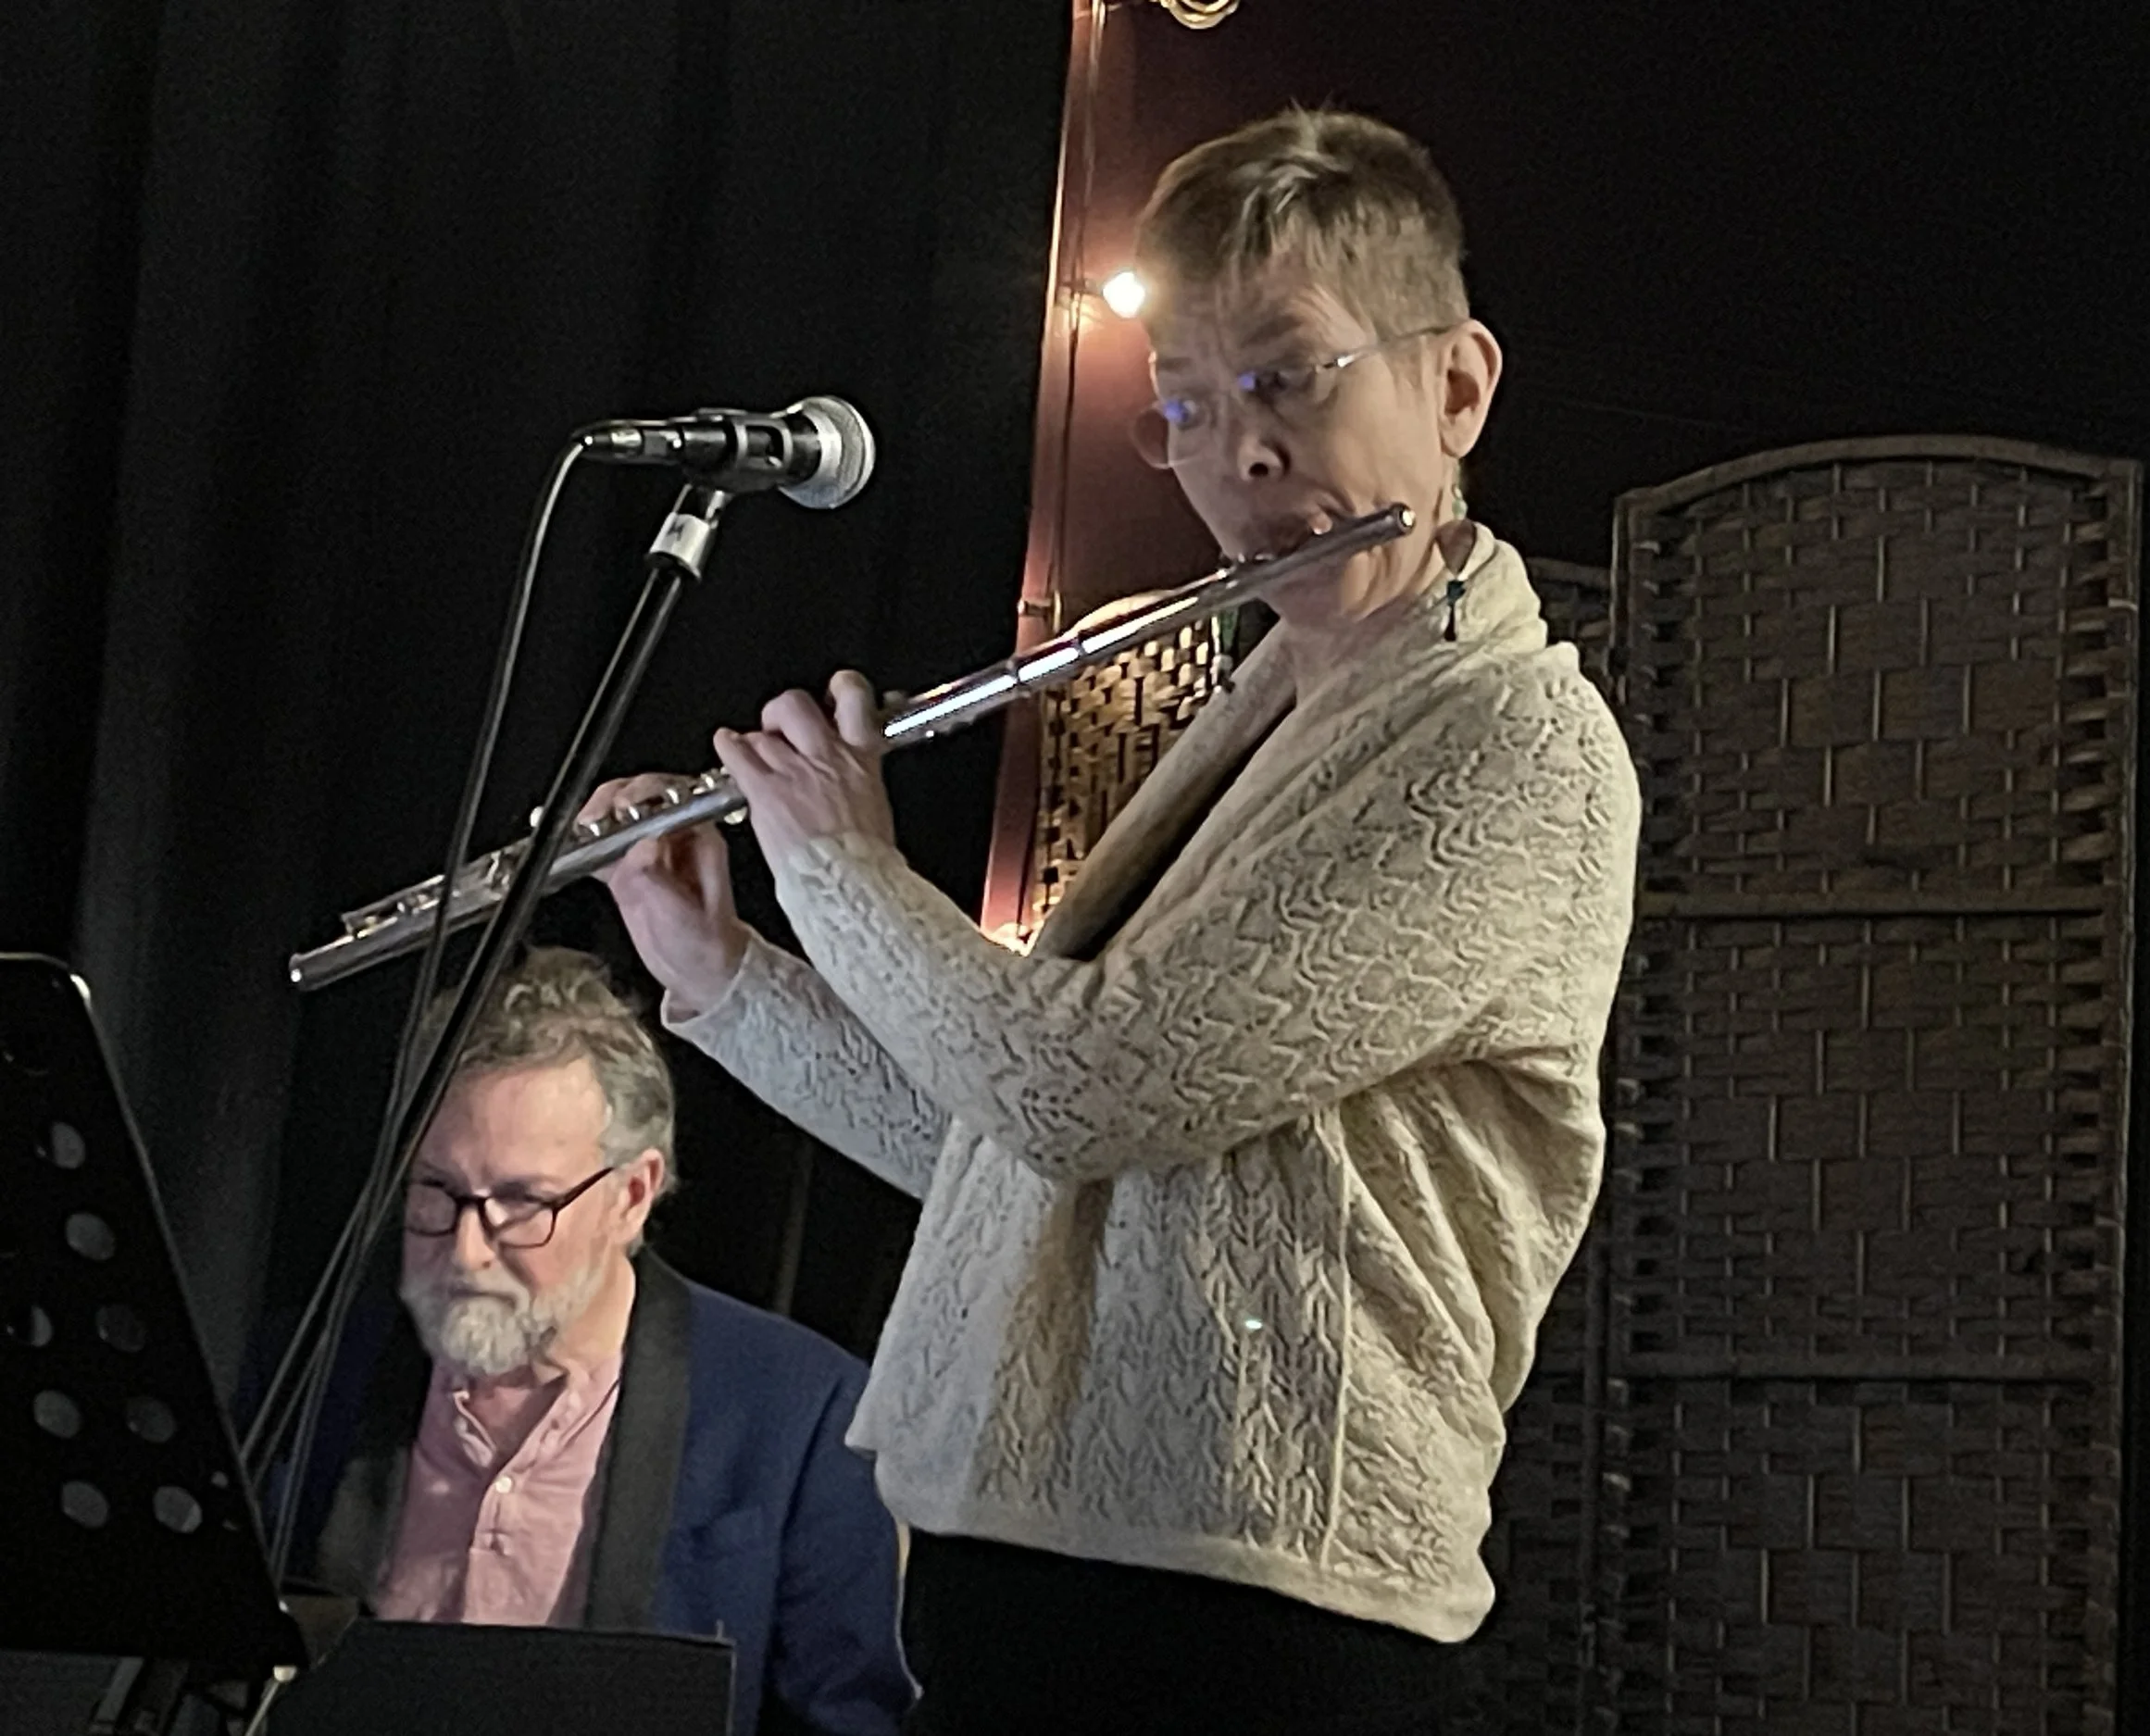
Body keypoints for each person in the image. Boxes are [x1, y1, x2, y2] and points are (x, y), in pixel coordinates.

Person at [586, 107, 1641, 1735]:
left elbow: (1081, 1090)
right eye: (1186, 410)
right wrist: (722, 972)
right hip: (1046, 1592)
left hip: (1259, 1632)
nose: (1239, 458)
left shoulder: (1518, 752)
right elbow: (998, 1146)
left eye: (1288, 378)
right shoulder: (1260, 716)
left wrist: (846, 875)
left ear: (1455, 388)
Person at [287, 947, 914, 1736]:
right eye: (437, 1190)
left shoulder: (802, 1414)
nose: (468, 1249)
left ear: (632, 1194)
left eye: (521, 1202)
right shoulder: (318, 1375)